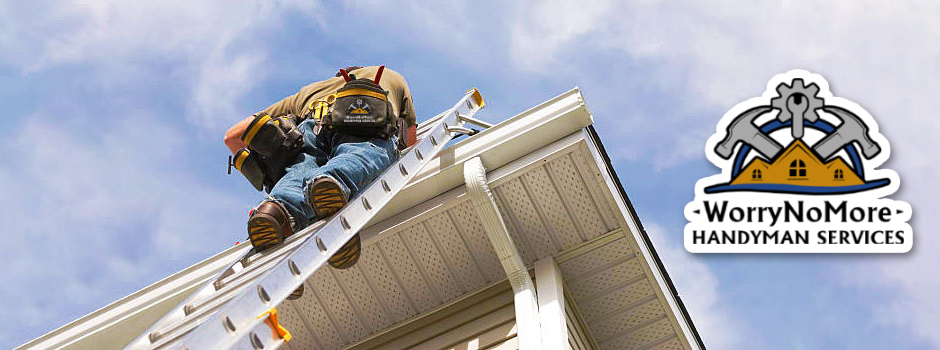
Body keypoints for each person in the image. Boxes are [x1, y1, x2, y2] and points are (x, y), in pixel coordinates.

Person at [225, 66, 417, 272]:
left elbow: (233, 135)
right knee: (359, 155)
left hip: (310, 128)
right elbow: (411, 143)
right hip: (364, 118)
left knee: (299, 173)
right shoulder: (390, 76)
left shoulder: (307, 92)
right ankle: (332, 183)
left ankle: (274, 212)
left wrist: (263, 171)